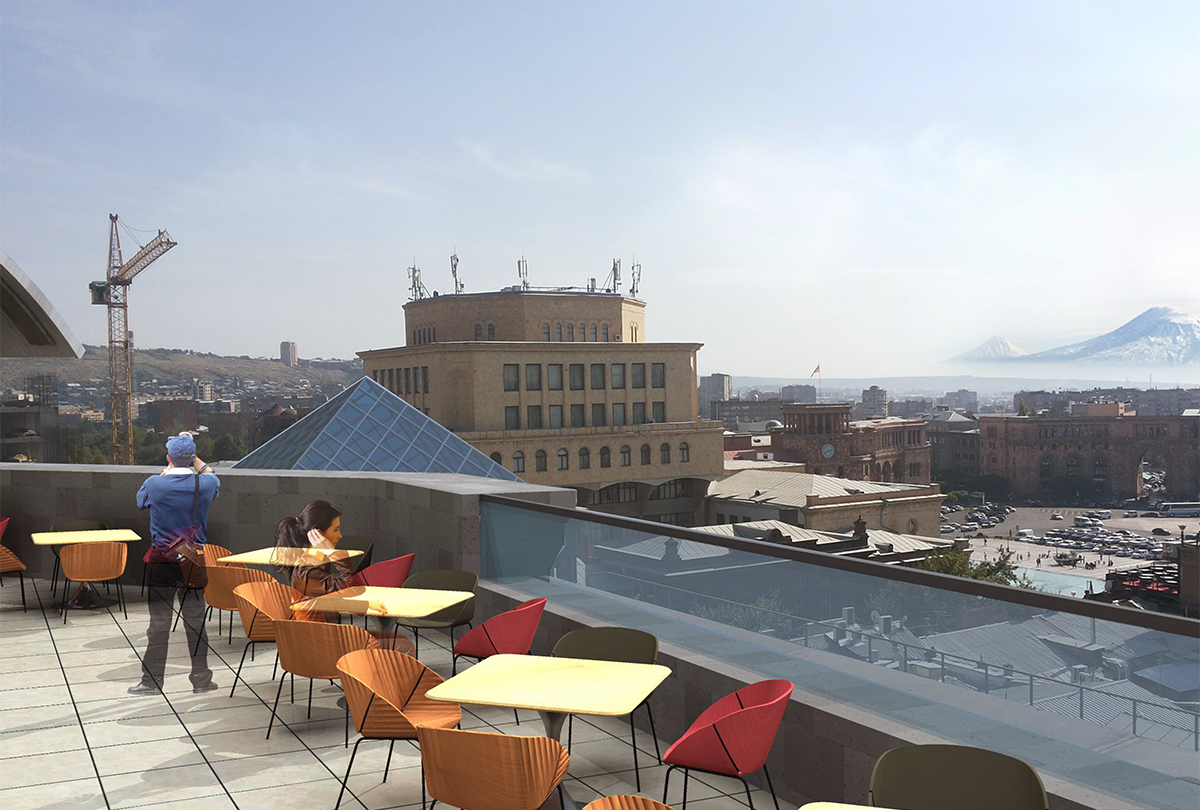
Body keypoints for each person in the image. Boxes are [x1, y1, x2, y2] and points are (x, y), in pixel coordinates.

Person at [129, 433, 220, 696]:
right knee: (195, 622)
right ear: (192, 458)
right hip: (192, 562)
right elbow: (210, 473)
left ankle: (151, 682)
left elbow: (140, 502)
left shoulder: (154, 484)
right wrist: (195, 459)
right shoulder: (205, 483)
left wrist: (167, 469)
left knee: (159, 624)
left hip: (162, 562)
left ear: (168, 457)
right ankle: (201, 679)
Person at [274, 500, 354, 601]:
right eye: (335, 530)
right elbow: (354, 588)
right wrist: (332, 552)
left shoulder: (316, 562)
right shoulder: (308, 572)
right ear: (319, 534)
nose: (340, 536)